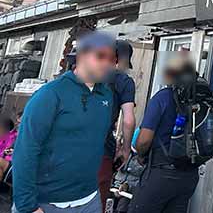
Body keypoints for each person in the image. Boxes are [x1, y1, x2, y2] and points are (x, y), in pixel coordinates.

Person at [12, 31, 116, 213]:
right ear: (82, 56)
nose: (107, 63)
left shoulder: (106, 95)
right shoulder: (50, 94)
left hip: (90, 200)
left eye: (112, 59)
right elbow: (25, 150)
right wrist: (27, 206)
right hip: (47, 202)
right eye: (101, 56)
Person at [128, 57, 200, 213]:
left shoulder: (162, 98)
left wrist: (140, 155)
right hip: (190, 176)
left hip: (162, 173)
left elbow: (144, 140)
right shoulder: (199, 100)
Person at [97, 39, 136, 212]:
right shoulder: (124, 81)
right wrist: (125, 149)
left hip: (71, 147)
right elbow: (128, 120)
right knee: (96, 200)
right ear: (123, 59)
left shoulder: (87, 74)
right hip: (102, 148)